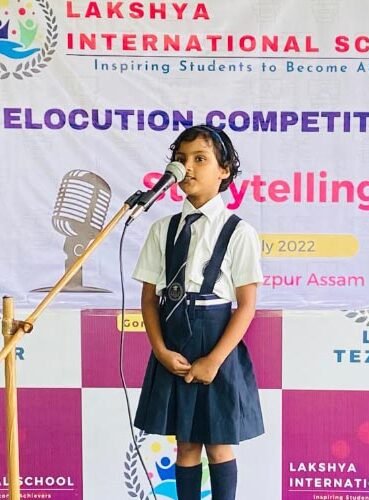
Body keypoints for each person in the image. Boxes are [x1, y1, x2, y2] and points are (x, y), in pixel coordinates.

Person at [132, 124, 264, 500]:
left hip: (216, 342)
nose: (187, 167)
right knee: (186, 443)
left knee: (219, 443)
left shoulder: (239, 232)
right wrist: (160, 350)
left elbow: (247, 305)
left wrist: (214, 360)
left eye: (200, 159)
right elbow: (149, 299)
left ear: (224, 170)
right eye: (181, 159)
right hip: (174, 341)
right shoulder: (162, 230)